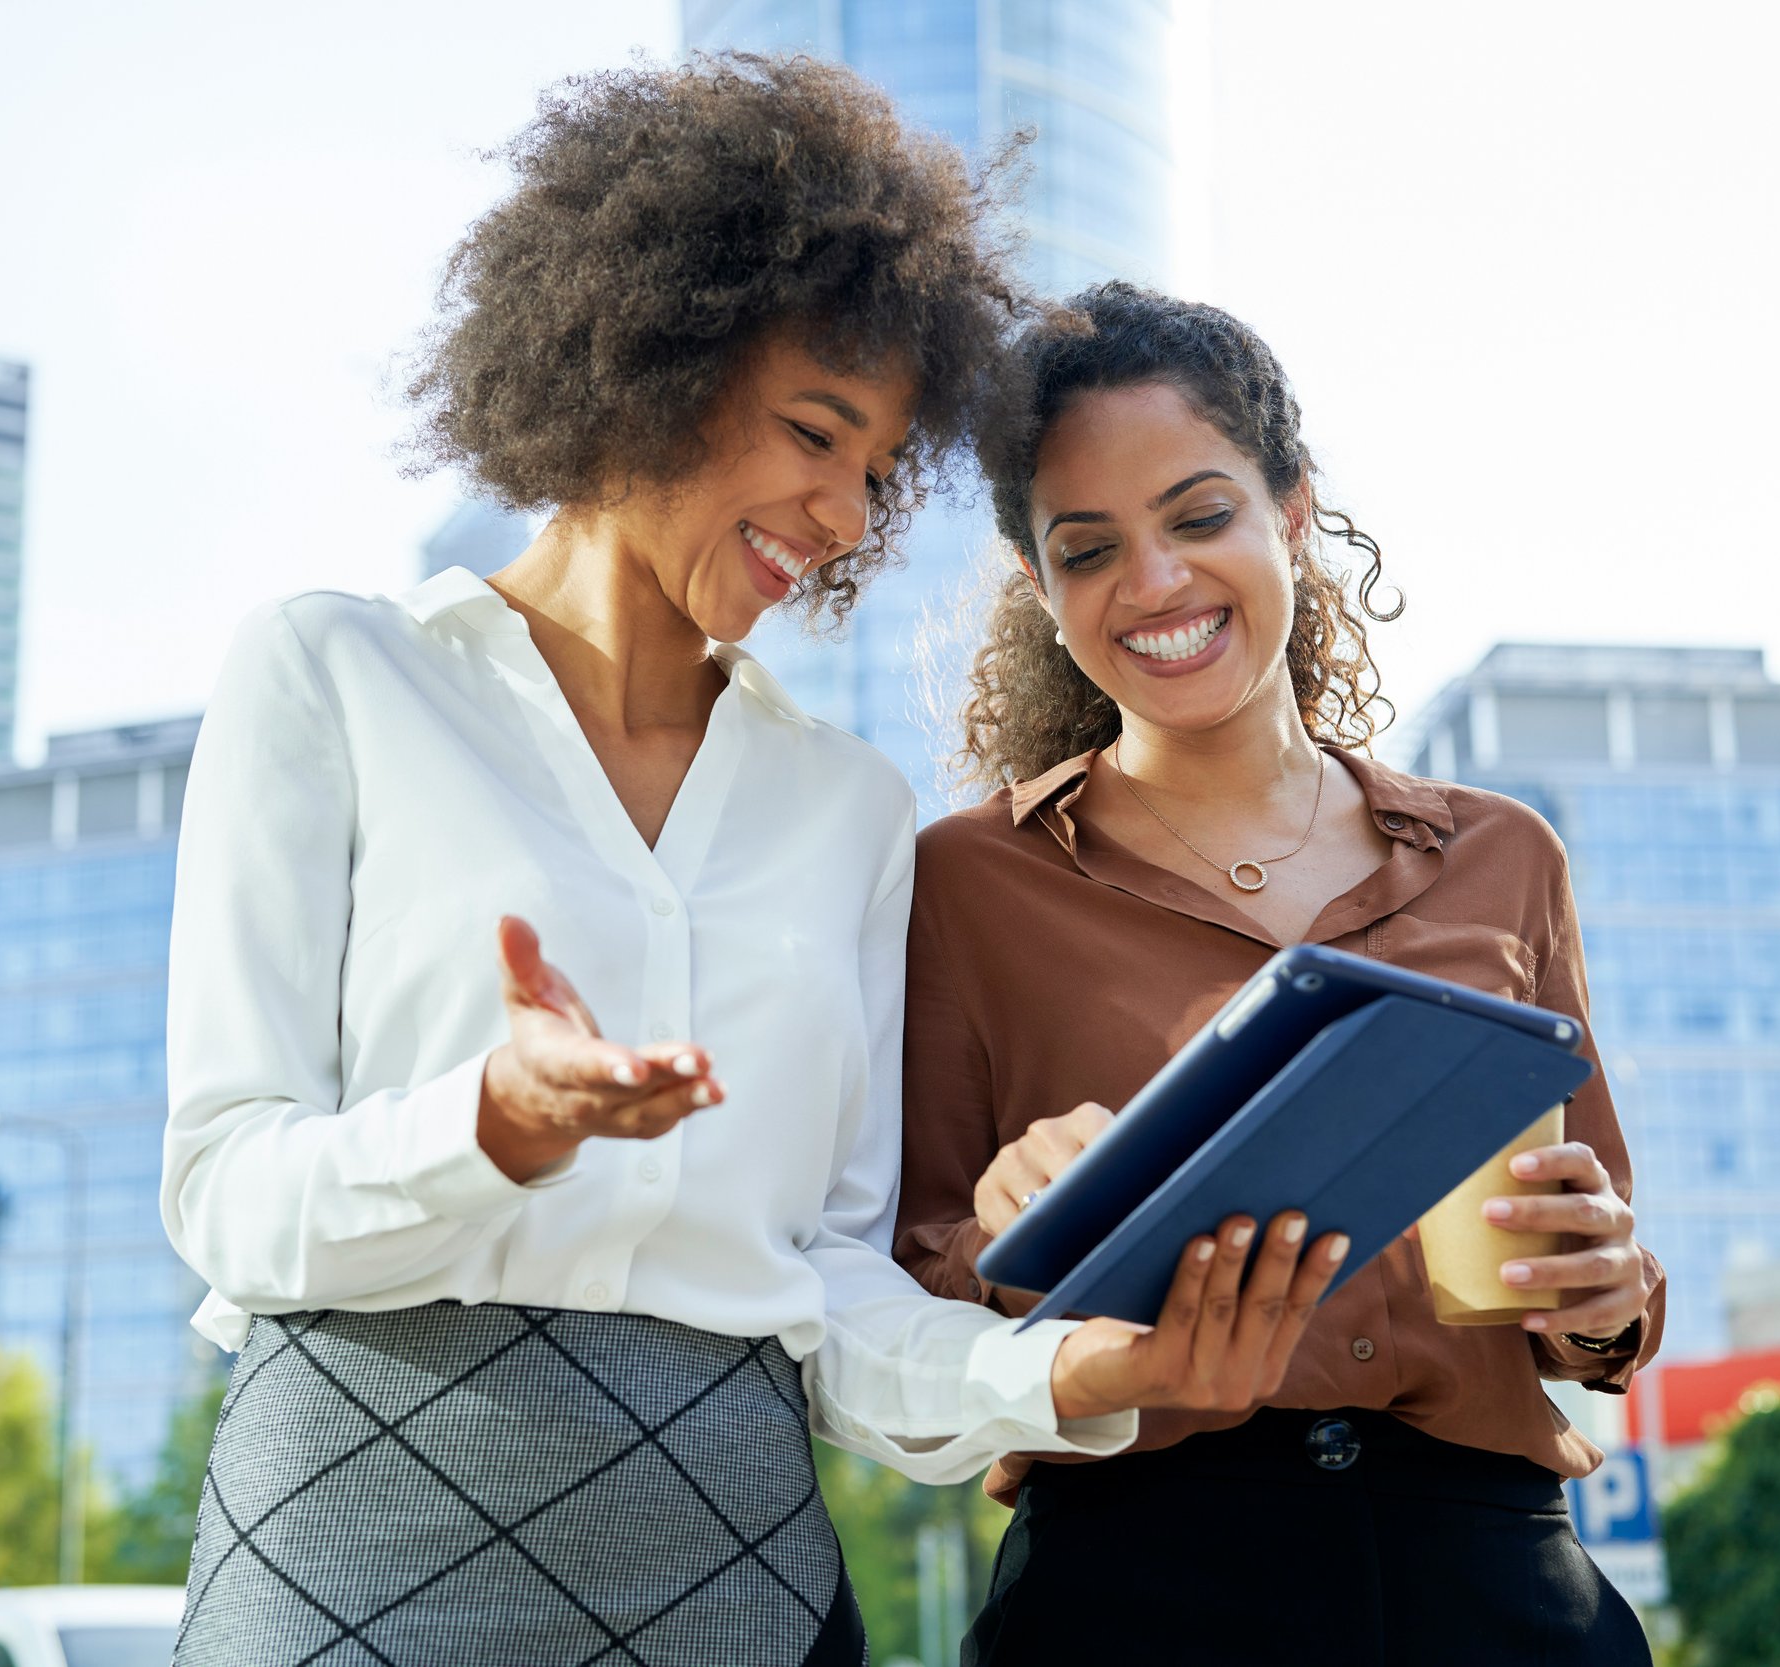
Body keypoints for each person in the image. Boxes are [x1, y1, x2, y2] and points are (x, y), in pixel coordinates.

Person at [160, 63, 1338, 1666]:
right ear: (652, 359)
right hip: (354, 1563)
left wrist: (1069, 1381)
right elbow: (227, 1192)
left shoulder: (845, 806)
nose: (847, 515)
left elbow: (833, 1292)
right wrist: (485, 1128)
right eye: (813, 435)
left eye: (878, 468)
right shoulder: (336, 676)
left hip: (738, 1588)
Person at [896, 282, 1666, 1666]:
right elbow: (917, 1280)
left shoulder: (1502, 857)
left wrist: (1607, 1296)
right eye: (1089, 549)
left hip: (1493, 1581)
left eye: (1199, 517)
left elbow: (1592, 1279)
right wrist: (1011, 1240)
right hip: (1139, 1581)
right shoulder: (966, 881)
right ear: (1040, 583)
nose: (1157, 584)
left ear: (1291, 515)